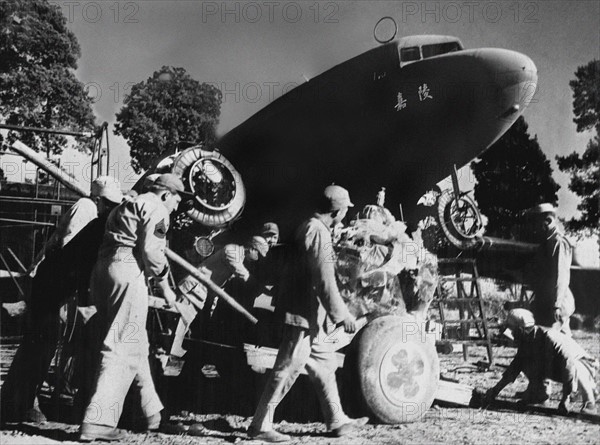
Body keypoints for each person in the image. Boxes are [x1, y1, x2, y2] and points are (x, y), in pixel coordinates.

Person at [248, 185, 368, 442]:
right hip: (302, 312)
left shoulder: (310, 227)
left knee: (324, 367)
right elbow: (324, 279)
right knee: (287, 368)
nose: (346, 215)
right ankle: (260, 424)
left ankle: (337, 420)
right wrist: (342, 315)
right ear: (336, 211)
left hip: (309, 313)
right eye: (345, 210)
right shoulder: (318, 233)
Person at [0, 176, 123, 425]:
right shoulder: (88, 210)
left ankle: (13, 403)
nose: (111, 208)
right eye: (108, 203)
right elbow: (76, 257)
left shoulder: (101, 220)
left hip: (56, 283)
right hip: (52, 284)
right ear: (100, 200)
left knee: (41, 343)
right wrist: (84, 301)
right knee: (41, 343)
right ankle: (18, 406)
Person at [79, 174, 186, 442]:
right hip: (128, 269)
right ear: (165, 194)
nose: (176, 206)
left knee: (137, 346)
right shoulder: (159, 209)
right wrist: (166, 287)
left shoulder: (127, 204)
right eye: (177, 199)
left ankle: (152, 415)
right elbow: (152, 252)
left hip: (103, 269)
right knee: (120, 346)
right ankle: (99, 421)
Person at [482, 309, 598, 415]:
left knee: (575, 364)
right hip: (560, 368)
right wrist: (495, 390)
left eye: (513, 330)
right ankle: (540, 394)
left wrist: (565, 399)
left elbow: (569, 365)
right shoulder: (527, 339)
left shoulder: (549, 337)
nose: (511, 334)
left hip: (584, 365)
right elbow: (515, 368)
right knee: (526, 361)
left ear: (521, 329)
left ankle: (590, 402)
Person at [525, 203, 575, 335]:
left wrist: (556, 306)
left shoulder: (558, 242)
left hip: (557, 304)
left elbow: (561, 276)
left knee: (557, 343)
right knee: (550, 345)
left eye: (536, 223)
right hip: (546, 303)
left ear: (547, 221)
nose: (534, 228)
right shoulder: (546, 243)